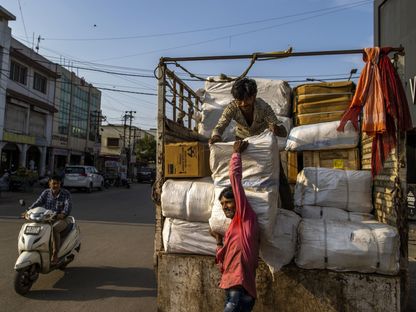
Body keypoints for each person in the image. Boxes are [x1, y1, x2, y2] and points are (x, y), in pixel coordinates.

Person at [210, 77, 293, 210]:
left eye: (247, 99)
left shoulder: (263, 106)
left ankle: (289, 208)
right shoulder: (232, 107)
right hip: (243, 145)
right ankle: (244, 207)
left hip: (263, 145)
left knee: (279, 176)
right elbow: (220, 126)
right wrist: (216, 136)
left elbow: (282, 131)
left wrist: (276, 129)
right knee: (243, 176)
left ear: (254, 96)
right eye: (239, 100)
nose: (243, 104)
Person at [211, 140, 260, 312]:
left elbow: (235, 180)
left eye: (228, 202)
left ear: (238, 202)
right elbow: (223, 262)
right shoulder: (231, 230)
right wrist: (218, 241)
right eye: (222, 204)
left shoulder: (245, 218)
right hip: (234, 285)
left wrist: (236, 154)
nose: (225, 206)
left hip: (242, 288)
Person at [27, 175, 72, 264]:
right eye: (53, 183)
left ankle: (55, 254)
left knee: (54, 229)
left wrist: (62, 214)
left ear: (60, 184)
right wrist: (28, 211)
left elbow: (68, 206)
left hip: (62, 219)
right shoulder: (46, 193)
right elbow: (38, 202)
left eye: (57, 184)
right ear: (49, 184)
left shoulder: (66, 193)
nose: (55, 186)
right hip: (46, 219)